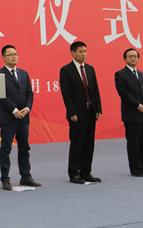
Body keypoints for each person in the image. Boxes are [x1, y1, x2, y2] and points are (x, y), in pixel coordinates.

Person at [0, 45, 41, 190]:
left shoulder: (23, 73)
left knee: (24, 148)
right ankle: (5, 179)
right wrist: (14, 110)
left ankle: (26, 176)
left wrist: (27, 108)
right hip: (8, 118)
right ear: (3, 58)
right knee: (6, 149)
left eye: (15, 54)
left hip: (23, 118)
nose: (14, 56)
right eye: (10, 54)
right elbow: (1, 95)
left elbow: (29, 93)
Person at [59, 41, 103, 184]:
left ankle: (86, 172)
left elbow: (95, 90)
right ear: (72, 53)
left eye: (85, 51)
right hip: (77, 114)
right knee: (77, 143)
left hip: (90, 111)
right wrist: (71, 112)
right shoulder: (66, 70)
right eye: (80, 51)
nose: (83, 54)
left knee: (89, 143)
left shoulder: (90, 69)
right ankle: (74, 173)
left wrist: (98, 108)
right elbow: (66, 94)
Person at [115, 48, 143, 177]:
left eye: (135, 56)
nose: (133, 58)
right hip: (131, 114)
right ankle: (135, 169)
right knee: (133, 143)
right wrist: (138, 105)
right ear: (124, 59)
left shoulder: (142, 74)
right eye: (130, 56)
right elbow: (124, 93)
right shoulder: (120, 74)